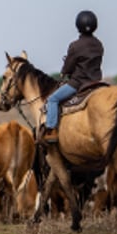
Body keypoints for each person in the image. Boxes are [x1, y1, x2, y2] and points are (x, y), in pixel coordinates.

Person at [41, 10, 104, 144]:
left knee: (52, 99)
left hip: (78, 83)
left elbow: (69, 67)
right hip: (96, 83)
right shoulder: (99, 45)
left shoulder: (75, 45)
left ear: (78, 26)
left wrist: (64, 72)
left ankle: (51, 130)